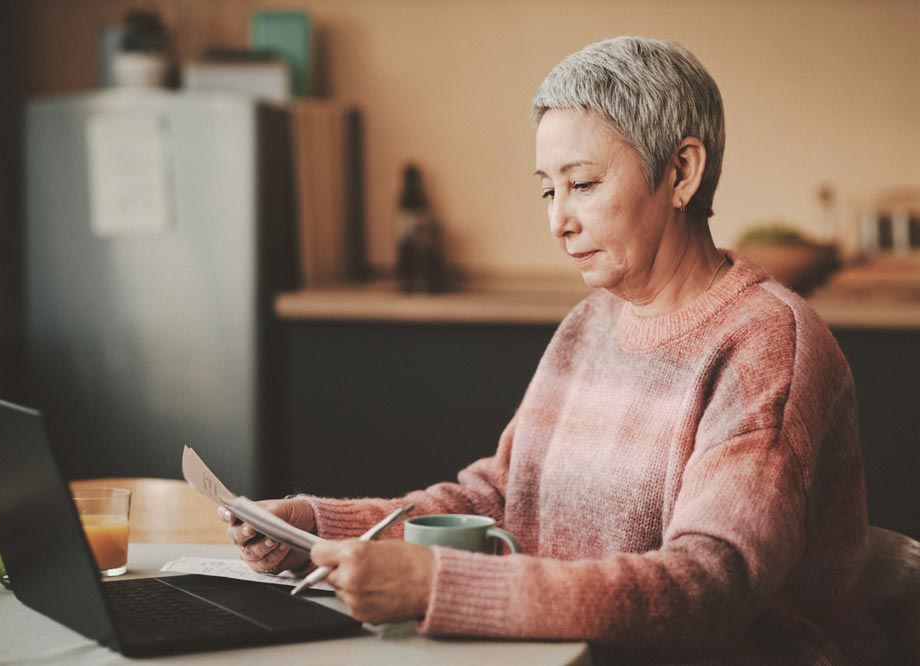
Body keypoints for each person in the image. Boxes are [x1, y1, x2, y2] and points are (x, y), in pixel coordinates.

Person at [221, 36, 884, 664]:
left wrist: (437, 587)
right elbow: (499, 500)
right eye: (547, 188)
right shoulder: (589, 325)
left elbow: (705, 591)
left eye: (584, 184)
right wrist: (315, 530)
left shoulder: (768, 343)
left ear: (681, 172)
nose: (557, 221)